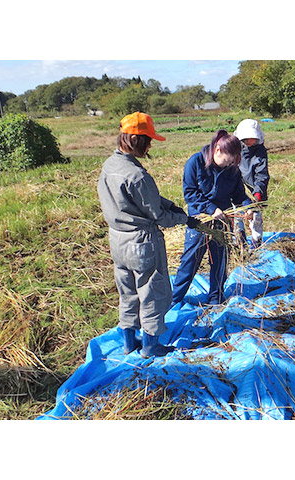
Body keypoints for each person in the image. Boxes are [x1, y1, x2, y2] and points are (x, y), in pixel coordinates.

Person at [97, 112, 200, 358]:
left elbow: (145, 201)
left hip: (117, 240)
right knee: (152, 292)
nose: (151, 145)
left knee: (128, 292)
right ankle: (151, 346)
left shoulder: (111, 165)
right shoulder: (138, 175)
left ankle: (128, 343)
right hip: (141, 243)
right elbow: (158, 216)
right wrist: (184, 218)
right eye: (149, 140)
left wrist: (169, 203)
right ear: (138, 140)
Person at [171, 130, 252, 306]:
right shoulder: (196, 162)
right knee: (190, 260)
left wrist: (247, 206)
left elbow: (239, 194)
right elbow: (190, 194)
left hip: (222, 220)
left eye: (232, 162)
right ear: (217, 150)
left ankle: (216, 298)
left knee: (220, 259)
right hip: (200, 220)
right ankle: (174, 299)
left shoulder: (232, 170)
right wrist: (210, 208)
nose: (228, 165)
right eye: (227, 160)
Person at [233, 119, 270, 249]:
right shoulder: (235, 149)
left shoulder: (260, 151)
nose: (249, 141)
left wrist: (257, 193)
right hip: (237, 189)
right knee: (238, 215)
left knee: (255, 218)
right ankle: (240, 244)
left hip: (254, 190)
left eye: (252, 138)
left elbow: (262, 174)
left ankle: (256, 244)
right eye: (246, 138)